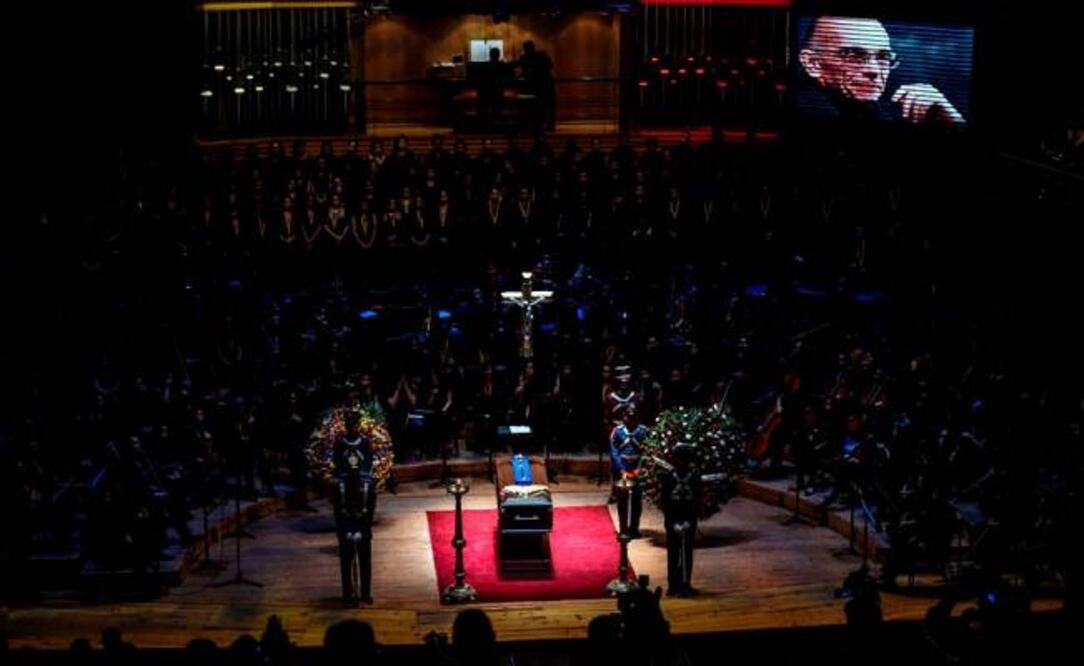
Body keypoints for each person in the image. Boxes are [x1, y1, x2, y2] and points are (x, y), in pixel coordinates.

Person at [797, 16, 965, 124]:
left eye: (883, 57)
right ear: (813, 64)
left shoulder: (886, 114)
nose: (874, 70)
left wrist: (949, 116)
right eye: (854, 55)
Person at [332, 416, 376, 605]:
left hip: (363, 524)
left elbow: (371, 508)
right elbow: (337, 508)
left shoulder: (367, 485)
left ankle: (365, 593)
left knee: (365, 558)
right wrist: (345, 528)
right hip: (345, 524)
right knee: (346, 559)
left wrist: (364, 526)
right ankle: (347, 594)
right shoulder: (339, 485)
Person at [659, 443, 701, 596]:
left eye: (684, 459)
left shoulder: (695, 477)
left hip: (688, 519)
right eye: (679, 458)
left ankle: (686, 583)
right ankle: (673, 584)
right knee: (673, 553)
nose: (681, 462)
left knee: (687, 553)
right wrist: (672, 523)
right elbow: (664, 502)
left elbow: (697, 501)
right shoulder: (668, 477)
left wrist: (690, 521)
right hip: (673, 519)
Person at [609, 404, 646, 537]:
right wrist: (621, 470)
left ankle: (634, 528)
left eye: (633, 417)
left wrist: (640, 468)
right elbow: (614, 452)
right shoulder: (618, 431)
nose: (630, 419)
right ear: (623, 417)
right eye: (627, 416)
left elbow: (647, 451)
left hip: (637, 469)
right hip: (623, 469)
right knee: (622, 501)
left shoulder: (642, 431)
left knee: (637, 501)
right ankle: (623, 529)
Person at [517, 40, 555, 131]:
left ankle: (534, 124)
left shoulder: (524, 58)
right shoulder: (542, 55)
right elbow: (550, 66)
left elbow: (522, 70)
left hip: (532, 86)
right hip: (545, 84)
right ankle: (548, 125)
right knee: (547, 106)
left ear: (525, 48)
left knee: (534, 106)